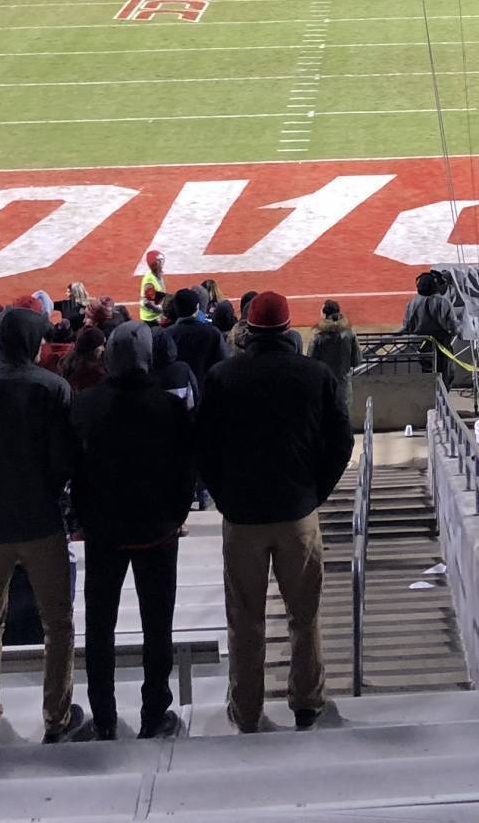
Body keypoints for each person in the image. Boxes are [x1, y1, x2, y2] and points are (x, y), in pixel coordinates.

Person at [194, 290, 354, 732]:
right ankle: (307, 701)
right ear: (287, 328)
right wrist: (312, 494)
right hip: (297, 513)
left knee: (245, 621)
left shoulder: (224, 376)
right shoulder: (315, 375)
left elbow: (202, 446)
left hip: (243, 517)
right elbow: (342, 442)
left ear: (249, 326)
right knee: (304, 616)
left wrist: (225, 497)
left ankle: (246, 710)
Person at [0, 306, 85, 745]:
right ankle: (56, 716)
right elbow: (65, 460)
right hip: (41, 519)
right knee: (58, 624)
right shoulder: (53, 387)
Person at [70, 320, 197, 740]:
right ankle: (153, 713)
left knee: (100, 629)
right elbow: (185, 472)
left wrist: (85, 519)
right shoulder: (169, 407)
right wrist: (175, 517)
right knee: (157, 627)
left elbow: (74, 470)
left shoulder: (85, 404)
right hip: (156, 532)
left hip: (104, 533)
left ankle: (104, 718)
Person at [309, 300, 357, 417]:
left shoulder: (318, 338)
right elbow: (356, 360)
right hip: (344, 386)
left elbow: (311, 363)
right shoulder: (349, 334)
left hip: (323, 387)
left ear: (325, 314)